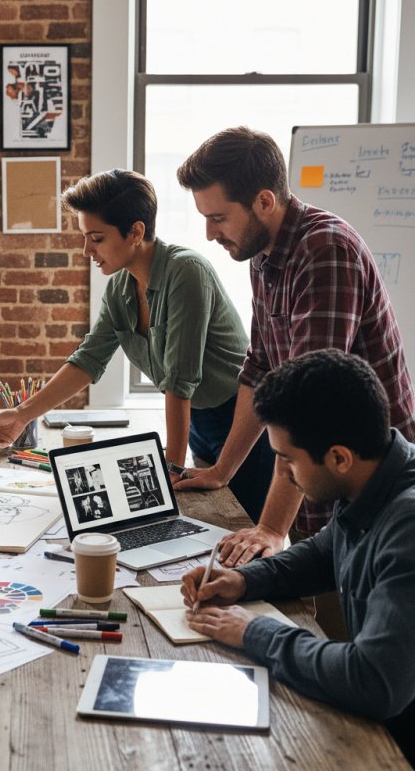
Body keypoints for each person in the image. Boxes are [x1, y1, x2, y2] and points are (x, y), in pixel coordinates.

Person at [175, 126, 415, 566]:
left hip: (371, 487)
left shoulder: (326, 251)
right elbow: (260, 367)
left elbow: (308, 402)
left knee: (351, 623)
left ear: (264, 201)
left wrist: (271, 528)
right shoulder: (261, 252)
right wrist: (221, 470)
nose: (210, 234)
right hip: (315, 474)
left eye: (219, 218)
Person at [0, 169, 275, 520]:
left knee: (242, 535)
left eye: (97, 238)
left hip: (241, 426)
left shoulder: (186, 271)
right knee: (210, 530)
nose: (87, 250)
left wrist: (171, 469)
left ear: (136, 232)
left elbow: (180, 381)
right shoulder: (121, 286)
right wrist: (22, 414)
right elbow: (88, 360)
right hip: (196, 422)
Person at [181, 349, 415, 764]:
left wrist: (253, 632)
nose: (283, 473)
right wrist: (245, 579)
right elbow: (324, 553)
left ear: (339, 457)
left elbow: (374, 680)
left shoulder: (408, 523)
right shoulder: (372, 477)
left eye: (288, 459)